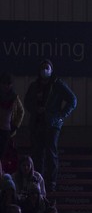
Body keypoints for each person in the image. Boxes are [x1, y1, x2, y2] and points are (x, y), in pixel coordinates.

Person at [24, 59, 77, 193]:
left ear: (52, 70)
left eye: (47, 68)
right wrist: (36, 109)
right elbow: (27, 102)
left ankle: (51, 182)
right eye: (43, 68)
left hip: (52, 124)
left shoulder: (57, 84)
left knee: (51, 153)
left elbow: (73, 100)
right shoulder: (34, 85)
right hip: (37, 123)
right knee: (37, 153)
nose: (45, 70)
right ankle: (37, 179)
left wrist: (61, 115)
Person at [0, 72, 25, 160]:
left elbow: (21, 111)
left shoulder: (14, 97)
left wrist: (16, 126)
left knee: (3, 154)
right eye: (4, 83)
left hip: (7, 131)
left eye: (8, 84)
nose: (6, 86)